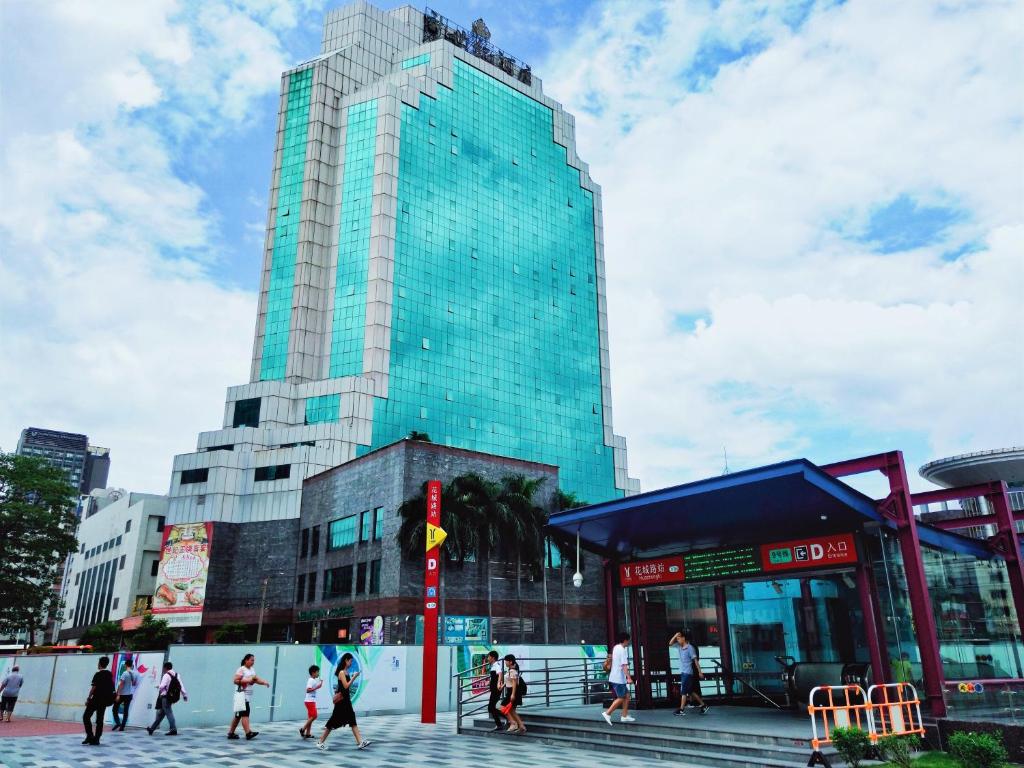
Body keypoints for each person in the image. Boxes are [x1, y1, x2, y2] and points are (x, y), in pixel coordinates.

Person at [316, 652, 370, 751]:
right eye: (350, 661)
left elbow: (340, 686)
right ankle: (320, 742)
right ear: (346, 660)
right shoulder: (341, 672)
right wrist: (354, 677)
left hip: (346, 700)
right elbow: (346, 686)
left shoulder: (345, 672)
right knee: (333, 721)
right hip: (342, 702)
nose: (351, 663)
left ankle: (360, 742)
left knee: (352, 719)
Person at [228, 653, 270, 740]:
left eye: (254, 660)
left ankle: (231, 733)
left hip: (248, 695)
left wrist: (264, 682)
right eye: (251, 660)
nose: (253, 662)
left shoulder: (252, 670)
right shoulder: (241, 669)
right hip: (242, 695)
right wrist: (247, 680)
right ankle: (248, 733)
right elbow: (235, 681)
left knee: (238, 715)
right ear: (246, 660)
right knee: (245, 714)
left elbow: (255, 679)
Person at [669, 630, 709, 715]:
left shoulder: (690, 648)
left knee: (683, 691)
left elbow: (695, 661)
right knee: (690, 691)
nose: (678, 640)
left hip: (688, 672)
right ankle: (703, 705)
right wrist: (675, 635)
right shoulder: (679, 647)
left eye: (679, 638)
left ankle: (681, 709)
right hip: (683, 672)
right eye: (677, 639)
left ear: (684, 638)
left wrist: (700, 672)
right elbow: (670, 643)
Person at [601, 632, 636, 725]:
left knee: (627, 695)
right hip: (618, 679)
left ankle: (624, 716)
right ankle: (607, 713)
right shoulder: (622, 650)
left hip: (615, 677)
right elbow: (624, 666)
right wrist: (629, 678)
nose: (629, 642)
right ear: (625, 640)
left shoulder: (616, 647)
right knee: (621, 697)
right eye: (628, 640)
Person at [147, 661, 187, 736]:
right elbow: (181, 685)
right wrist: (184, 695)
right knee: (161, 714)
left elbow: (162, 686)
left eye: (163, 668)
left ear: (165, 668)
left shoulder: (166, 675)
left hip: (165, 697)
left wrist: (158, 686)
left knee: (169, 713)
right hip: (171, 697)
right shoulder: (177, 675)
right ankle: (152, 729)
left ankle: (173, 729)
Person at [82, 656, 115, 745]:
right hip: (104, 700)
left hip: (96, 699)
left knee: (86, 716)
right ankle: (97, 739)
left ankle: (89, 736)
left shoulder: (98, 674)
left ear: (100, 664)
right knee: (100, 719)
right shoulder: (109, 674)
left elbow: (94, 688)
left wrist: (89, 698)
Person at [111, 658, 140, 731]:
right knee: (126, 711)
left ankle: (118, 723)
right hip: (129, 694)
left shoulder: (125, 673)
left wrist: (118, 695)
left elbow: (121, 684)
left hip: (122, 694)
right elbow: (134, 684)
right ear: (132, 665)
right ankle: (122, 727)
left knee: (114, 709)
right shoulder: (135, 673)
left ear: (125, 665)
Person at [500, 654, 526, 735]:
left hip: (512, 692)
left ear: (510, 662)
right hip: (510, 691)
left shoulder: (513, 671)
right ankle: (521, 726)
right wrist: (503, 686)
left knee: (502, 707)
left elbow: (514, 683)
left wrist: (513, 694)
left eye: (506, 661)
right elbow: (509, 681)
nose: (505, 663)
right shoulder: (510, 670)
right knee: (511, 710)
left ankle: (513, 723)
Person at [483, 650, 505, 732]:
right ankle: (501, 723)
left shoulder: (496, 665)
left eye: (489, 657)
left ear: (493, 658)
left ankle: (505, 718)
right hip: (494, 688)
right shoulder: (493, 666)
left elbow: (500, 673)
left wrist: (499, 683)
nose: (488, 658)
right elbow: (494, 676)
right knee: (491, 708)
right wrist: (489, 682)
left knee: (491, 707)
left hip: (496, 689)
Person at [300, 664, 323, 739]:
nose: (318, 673)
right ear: (313, 673)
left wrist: (319, 685)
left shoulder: (313, 680)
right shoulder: (311, 680)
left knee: (310, 717)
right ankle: (303, 729)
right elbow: (308, 690)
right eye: (317, 672)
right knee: (314, 716)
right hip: (309, 701)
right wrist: (317, 687)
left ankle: (308, 733)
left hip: (310, 701)